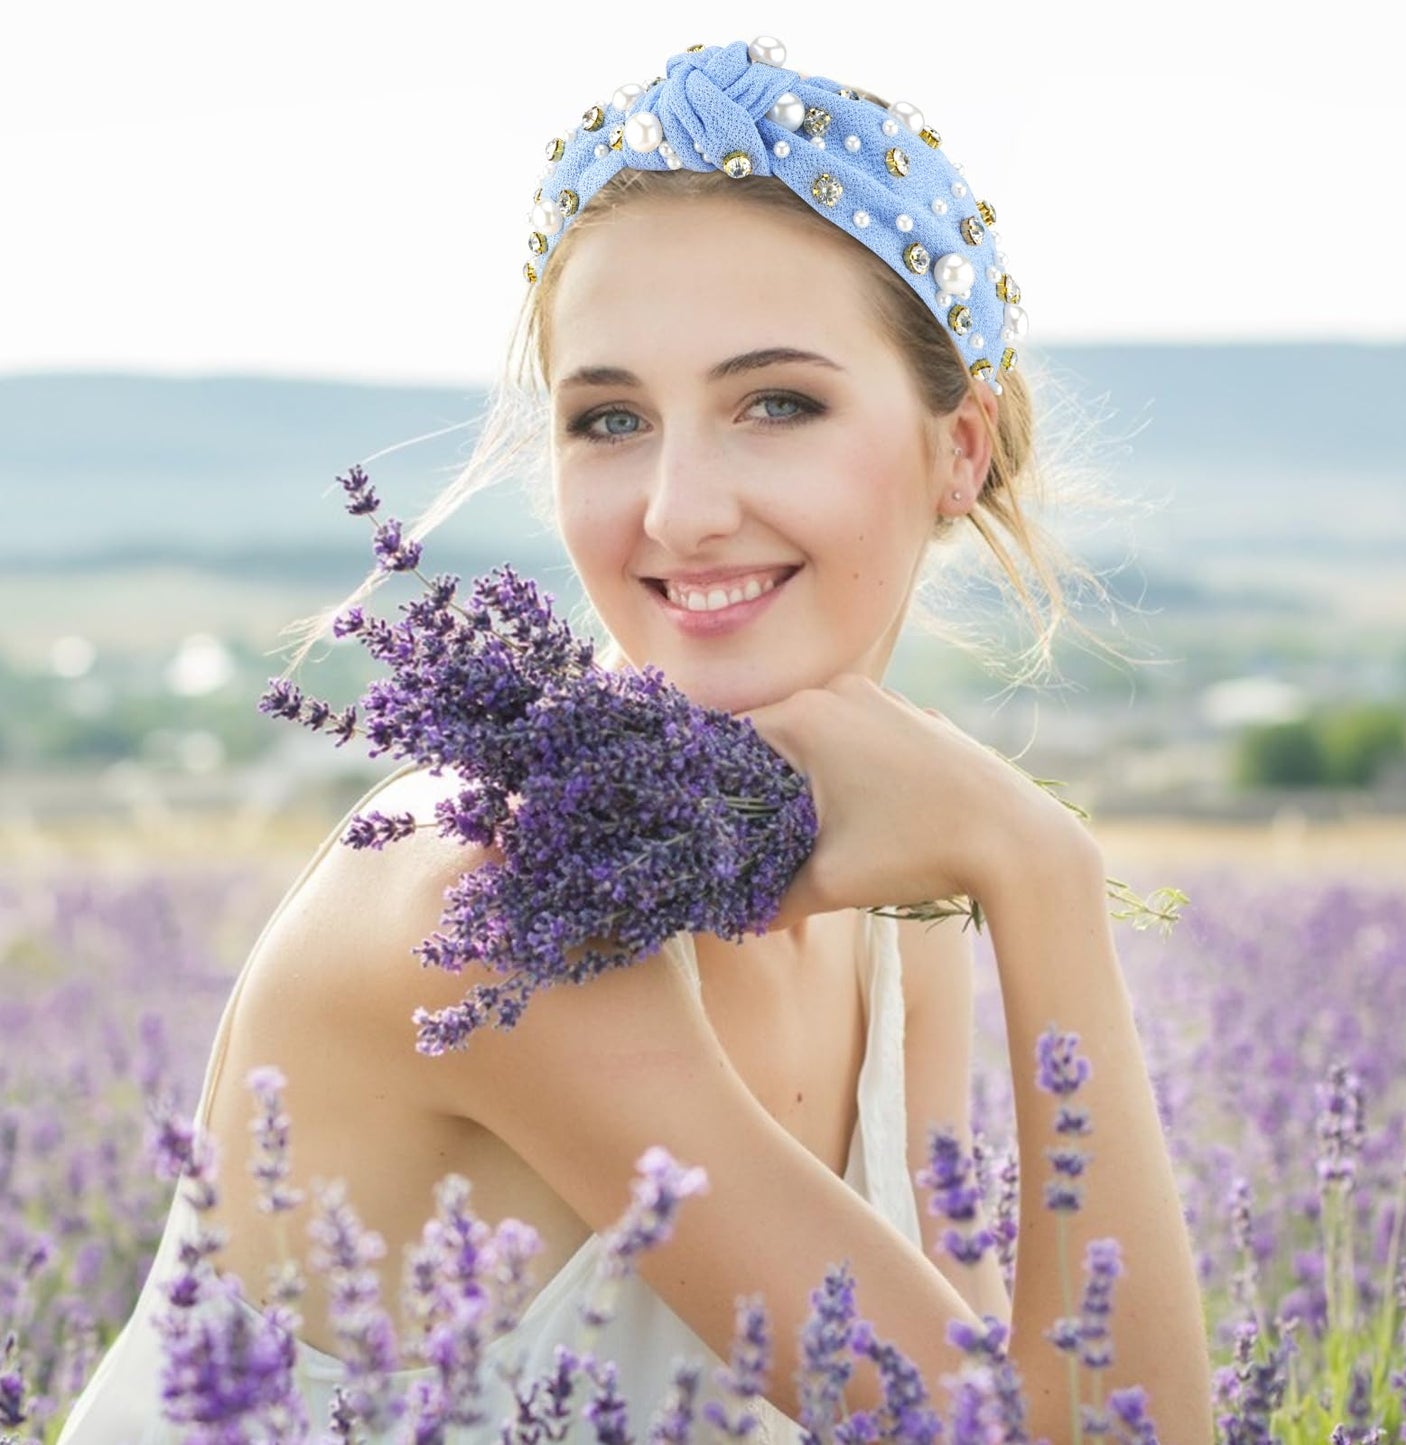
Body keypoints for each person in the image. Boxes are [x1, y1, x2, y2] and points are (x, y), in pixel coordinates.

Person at [58, 35, 1212, 1442]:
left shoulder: (890, 891)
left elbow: (1056, 1397)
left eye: (774, 403)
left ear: (958, 445)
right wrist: (1040, 869)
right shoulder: (501, 900)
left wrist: (1001, 867)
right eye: (609, 419)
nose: (675, 509)